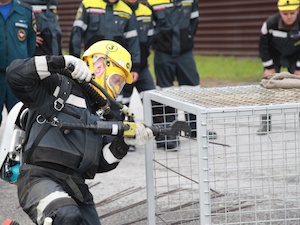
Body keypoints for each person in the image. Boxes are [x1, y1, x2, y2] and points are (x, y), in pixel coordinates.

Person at [6, 40, 153, 225]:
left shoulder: (105, 114)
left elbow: (101, 162)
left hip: (76, 187)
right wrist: (59, 62)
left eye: (120, 85)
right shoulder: (57, 86)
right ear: (99, 67)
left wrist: (124, 143)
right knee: (66, 217)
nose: (117, 90)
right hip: (38, 179)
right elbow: (15, 75)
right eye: (116, 80)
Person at [147, 0, 201, 148]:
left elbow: (194, 21)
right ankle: (169, 132)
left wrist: (186, 37)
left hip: (185, 52)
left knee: (193, 88)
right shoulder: (152, 2)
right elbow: (149, 27)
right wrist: (159, 41)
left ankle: (196, 128)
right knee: (165, 93)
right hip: (163, 53)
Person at [69, 0, 140, 83]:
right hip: (92, 64)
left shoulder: (126, 11)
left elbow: (133, 41)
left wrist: (135, 67)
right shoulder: (88, 4)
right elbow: (77, 34)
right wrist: (75, 59)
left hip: (116, 67)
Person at [258, 0, 300, 134]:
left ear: (298, 10)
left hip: (295, 56)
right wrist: (268, 66)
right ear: (279, 11)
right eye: (285, 13)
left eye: (292, 13)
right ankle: (265, 122)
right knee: (266, 82)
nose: (289, 16)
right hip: (275, 55)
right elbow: (263, 46)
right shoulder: (270, 24)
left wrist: (299, 67)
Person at [121, 0, 156, 151]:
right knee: (122, 103)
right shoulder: (119, 10)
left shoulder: (146, 11)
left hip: (141, 66)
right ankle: (127, 137)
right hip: (122, 67)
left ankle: (161, 136)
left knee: (152, 100)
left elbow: (150, 37)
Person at [0, 0, 36, 126]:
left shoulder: (25, 11)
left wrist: (21, 62)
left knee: (19, 118)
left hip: (17, 77)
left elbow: (31, 42)